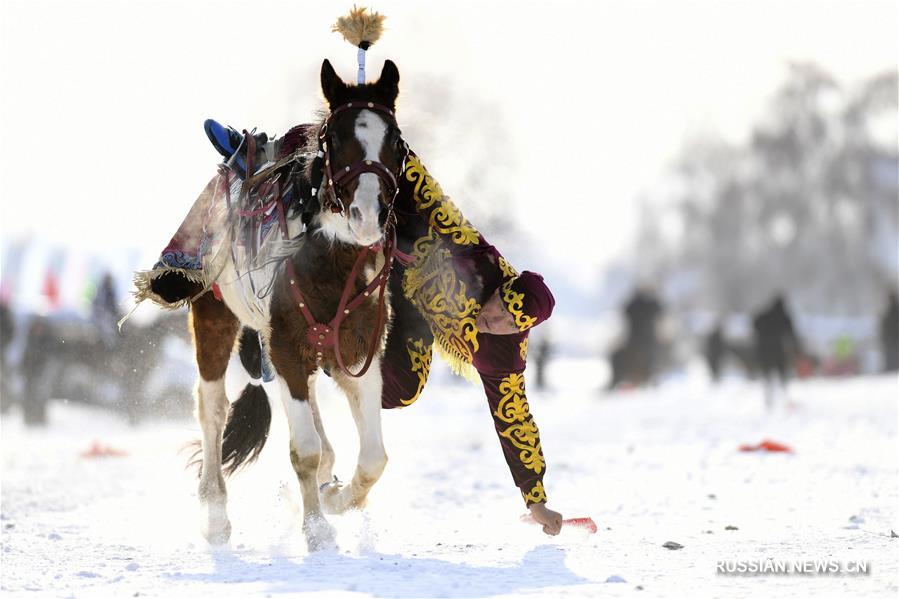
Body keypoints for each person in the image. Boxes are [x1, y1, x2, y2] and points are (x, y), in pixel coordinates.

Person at [156, 118, 565, 534]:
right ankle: (260, 153)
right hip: (379, 247)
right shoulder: (476, 257)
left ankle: (302, 352)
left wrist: (537, 499)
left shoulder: (504, 353)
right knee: (339, 177)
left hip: (411, 318)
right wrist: (385, 144)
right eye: (495, 308)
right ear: (500, 287)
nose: (490, 320)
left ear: (519, 330)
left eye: (501, 324)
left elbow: (515, 419)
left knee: (402, 389)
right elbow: (434, 198)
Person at [752, 295, 801, 408]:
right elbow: (792, 335)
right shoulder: (783, 316)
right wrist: (798, 351)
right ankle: (784, 397)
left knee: (767, 376)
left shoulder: (764, 315)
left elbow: (754, 324)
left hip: (764, 351)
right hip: (778, 352)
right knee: (782, 375)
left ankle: (769, 398)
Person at [880, 291, 898, 372]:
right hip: (892, 339)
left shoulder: (889, 312)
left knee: (892, 358)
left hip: (892, 339)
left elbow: (885, 326)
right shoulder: (890, 312)